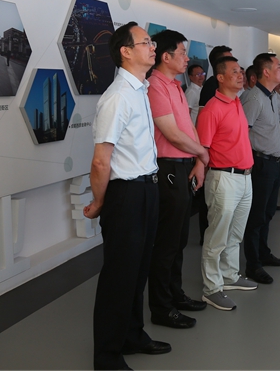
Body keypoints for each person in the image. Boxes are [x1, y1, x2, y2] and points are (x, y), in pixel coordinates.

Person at [85, 21, 170, 370]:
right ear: (125, 51)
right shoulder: (118, 96)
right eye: (145, 42)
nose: (153, 47)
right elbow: (100, 161)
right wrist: (100, 202)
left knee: (138, 271)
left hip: (146, 189)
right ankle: (107, 357)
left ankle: (132, 335)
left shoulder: (139, 89)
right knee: (119, 277)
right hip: (125, 195)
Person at [146, 29, 209, 329]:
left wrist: (198, 160)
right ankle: (162, 308)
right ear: (166, 56)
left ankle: (176, 295)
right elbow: (171, 134)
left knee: (180, 238)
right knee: (167, 242)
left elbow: (188, 128)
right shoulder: (155, 86)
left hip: (184, 166)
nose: (187, 58)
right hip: (168, 167)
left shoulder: (175, 86)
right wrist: (204, 154)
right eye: (182, 53)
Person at [197, 55, 258, 310]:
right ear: (220, 78)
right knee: (217, 236)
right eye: (234, 71)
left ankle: (230, 275)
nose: (240, 75)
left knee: (235, 233)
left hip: (245, 177)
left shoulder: (237, 103)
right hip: (223, 178)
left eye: (241, 71)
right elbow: (202, 148)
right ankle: (212, 288)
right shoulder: (212, 109)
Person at [240, 53, 280, 284]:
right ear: (266, 72)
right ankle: (253, 264)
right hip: (260, 164)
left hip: (273, 164)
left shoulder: (270, 96)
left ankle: (263, 253)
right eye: (278, 66)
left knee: (267, 213)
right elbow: (243, 132)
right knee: (256, 216)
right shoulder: (254, 98)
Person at [196, 45, 233, 245]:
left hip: (224, 156)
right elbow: (205, 125)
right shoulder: (212, 86)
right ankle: (207, 237)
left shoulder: (228, 91)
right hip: (214, 156)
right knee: (210, 202)